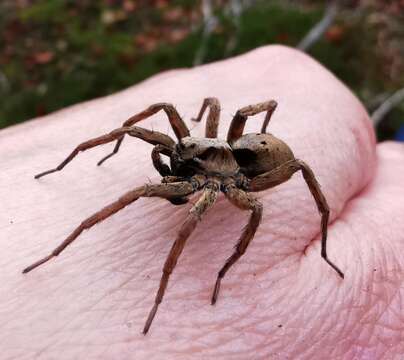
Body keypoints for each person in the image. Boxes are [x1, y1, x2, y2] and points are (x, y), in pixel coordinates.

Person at [1, 45, 403, 359]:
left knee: (163, 203)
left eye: (185, 155)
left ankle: (164, 290)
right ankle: (60, 211)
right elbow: (175, 114)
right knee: (157, 118)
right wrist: (112, 143)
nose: (176, 155)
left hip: (249, 167)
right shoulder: (188, 145)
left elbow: (254, 196)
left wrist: (222, 268)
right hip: (230, 148)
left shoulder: (221, 188)